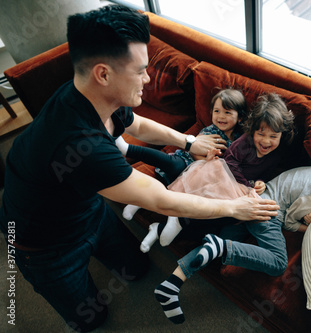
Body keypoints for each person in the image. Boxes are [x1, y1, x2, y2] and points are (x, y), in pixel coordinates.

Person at [0, 6, 278, 332]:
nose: (147, 78)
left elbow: (139, 124)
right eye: (140, 70)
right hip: (44, 244)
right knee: (92, 319)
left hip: (89, 209)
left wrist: (189, 142)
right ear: (103, 74)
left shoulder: (93, 97)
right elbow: (163, 200)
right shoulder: (79, 145)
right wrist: (235, 206)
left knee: (136, 269)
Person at [153, 165, 311, 324]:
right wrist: (308, 225)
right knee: (278, 262)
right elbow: (289, 223)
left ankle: (171, 285)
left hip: (251, 201)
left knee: (217, 248)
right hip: (265, 209)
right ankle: (219, 247)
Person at [119, 88, 247, 248]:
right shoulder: (210, 131)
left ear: (240, 118)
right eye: (216, 111)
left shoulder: (239, 140)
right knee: (171, 163)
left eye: (227, 113)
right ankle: (129, 150)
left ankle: (157, 229)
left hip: (202, 179)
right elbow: (195, 150)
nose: (221, 116)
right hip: (186, 163)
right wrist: (206, 159)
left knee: (199, 210)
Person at [224, 92, 296, 195]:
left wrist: (261, 182)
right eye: (261, 134)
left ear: (282, 135)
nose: (266, 141)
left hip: (246, 187)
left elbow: (267, 173)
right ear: (253, 130)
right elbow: (228, 164)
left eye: (273, 136)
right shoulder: (244, 143)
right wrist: (247, 186)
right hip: (226, 179)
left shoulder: (277, 153)